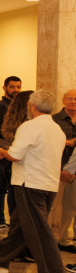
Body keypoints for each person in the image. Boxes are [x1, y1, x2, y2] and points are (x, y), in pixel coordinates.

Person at [0, 90, 69, 273]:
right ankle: (0, 259)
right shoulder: (57, 129)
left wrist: (1, 151)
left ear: (33, 106)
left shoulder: (30, 126)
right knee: (22, 225)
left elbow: (15, 155)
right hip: (49, 185)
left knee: (39, 231)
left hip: (29, 184)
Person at [0, 76, 22, 230]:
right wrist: (5, 152)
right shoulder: (2, 106)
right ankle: (0, 220)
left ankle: (1, 221)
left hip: (10, 152)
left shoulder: (13, 105)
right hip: (6, 152)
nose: (15, 90)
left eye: (18, 87)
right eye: (12, 87)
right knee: (5, 187)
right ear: (4, 88)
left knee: (3, 185)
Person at [50, 89, 76, 254]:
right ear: (63, 100)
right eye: (70, 98)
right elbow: (50, 143)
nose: (73, 101)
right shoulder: (55, 120)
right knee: (51, 206)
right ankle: (43, 239)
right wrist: (67, 143)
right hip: (57, 169)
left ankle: (65, 241)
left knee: (71, 207)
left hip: (74, 170)